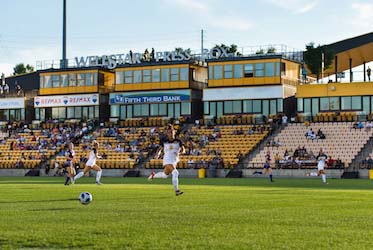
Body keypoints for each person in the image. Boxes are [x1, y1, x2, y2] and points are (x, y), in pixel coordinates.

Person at [148, 124, 185, 196]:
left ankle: (153, 175)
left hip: (174, 160)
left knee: (165, 175)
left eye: (171, 132)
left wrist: (179, 152)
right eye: (168, 132)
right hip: (167, 159)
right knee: (175, 172)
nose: (170, 133)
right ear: (167, 133)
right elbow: (160, 149)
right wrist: (157, 154)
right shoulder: (164, 141)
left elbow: (183, 150)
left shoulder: (178, 141)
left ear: (174, 132)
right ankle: (177, 191)